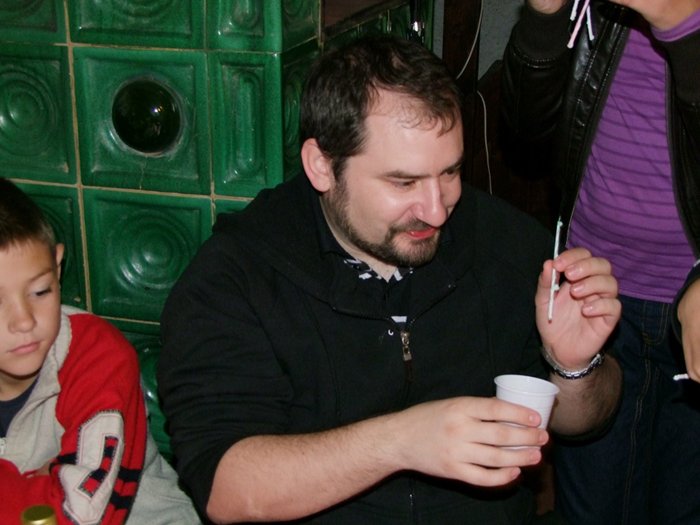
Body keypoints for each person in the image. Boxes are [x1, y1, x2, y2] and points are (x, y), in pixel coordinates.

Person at [158, 34, 622, 524]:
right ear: (321, 166)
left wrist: (573, 367)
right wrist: (402, 442)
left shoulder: (506, 243)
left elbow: (584, 422)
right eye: (404, 182)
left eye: (450, 172)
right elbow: (228, 490)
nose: (437, 210)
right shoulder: (237, 277)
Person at [500, 0, 700, 523]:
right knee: (591, 510)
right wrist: (545, 16)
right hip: (589, 292)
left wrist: (682, 25)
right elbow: (525, 134)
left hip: (694, 306)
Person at [0, 178, 200, 524]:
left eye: (41, 291)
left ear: (57, 266)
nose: (24, 321)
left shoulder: (98, 358)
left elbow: (79, 513)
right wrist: (36, 484)